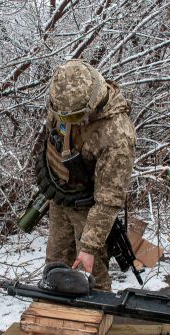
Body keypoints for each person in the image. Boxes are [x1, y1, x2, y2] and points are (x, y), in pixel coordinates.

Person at [36, 59, 136, 291]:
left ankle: (94, 319)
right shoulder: (63, 102)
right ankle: (55, 316)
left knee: (91, 276)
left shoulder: (116, 135)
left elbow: (108, 200)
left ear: (92, 103)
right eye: (61, 115)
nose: (65, 121)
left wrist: (89, 247)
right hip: (61, 198)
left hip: (90, 211)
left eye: (72, 117)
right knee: (55, 266)